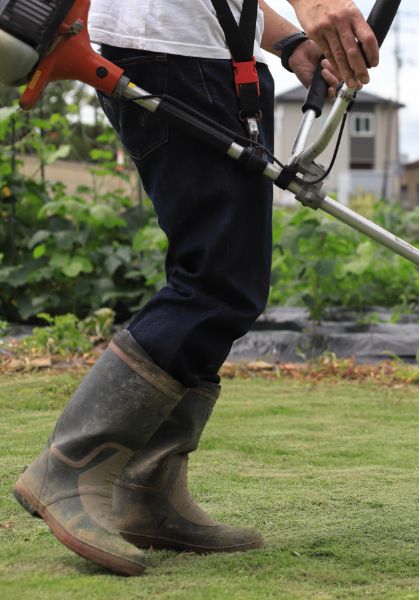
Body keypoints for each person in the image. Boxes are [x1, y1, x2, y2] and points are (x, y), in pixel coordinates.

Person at [13, 0, 380, 577]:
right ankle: (71, 463)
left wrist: (283, 41)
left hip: (212, 57)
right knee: (214, 280)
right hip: (169, 56)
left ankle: (148, 489)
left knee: (227, 277)